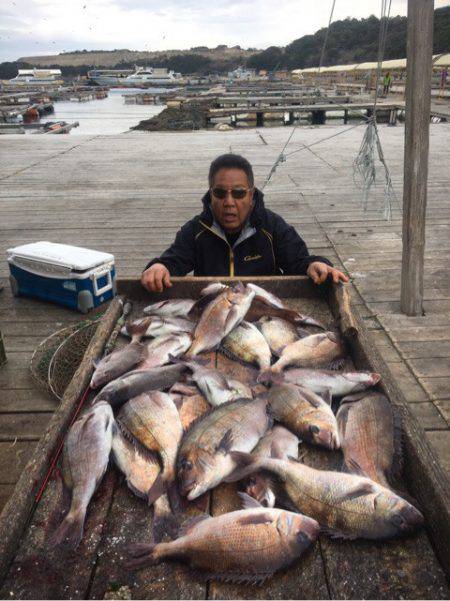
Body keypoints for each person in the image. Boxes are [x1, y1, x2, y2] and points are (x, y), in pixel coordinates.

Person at [141, 154, 348, 292]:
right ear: (210, 194)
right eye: (220, 193)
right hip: (214, 309)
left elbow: (300, 261)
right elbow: (173, 261)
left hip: (263, 308)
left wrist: (317, 264)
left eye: (239, 193)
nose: (229, 202)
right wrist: (158, 267)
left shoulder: (273, 226)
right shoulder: (196, 230)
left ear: (251, 195)